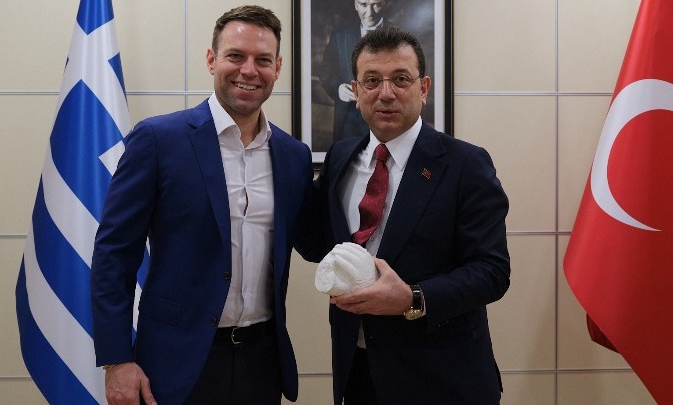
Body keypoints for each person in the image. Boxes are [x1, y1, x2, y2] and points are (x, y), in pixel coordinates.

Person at [91, 5, 313, 405]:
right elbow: (114, 254)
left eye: (263, 60)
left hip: (261, 363)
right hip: (174, 364)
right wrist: (116, 359)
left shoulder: (294, 156)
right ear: (211, 59)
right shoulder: (158, 140)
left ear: (278, 68)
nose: (249, 70)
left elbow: (315, 239)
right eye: (235, 56)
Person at [296, 26, 511, 404]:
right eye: (372, 81)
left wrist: (413, 298)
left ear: (423, 88)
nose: (386, 93)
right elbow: (318, 244)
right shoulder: (340, 157)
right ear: (356, 91)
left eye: (400, 79)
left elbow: (492, 272)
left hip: (442, 379)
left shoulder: (466, 165)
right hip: (358, 373)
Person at [320, 0, 389, 144]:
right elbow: (326, 74)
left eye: (376, 5)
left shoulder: (402, 35)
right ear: (355, 4)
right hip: (347, 122)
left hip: (388, 121)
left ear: (385, 4)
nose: (369, 13)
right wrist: (338, 88)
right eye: (363, 5)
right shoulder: (340, 35)